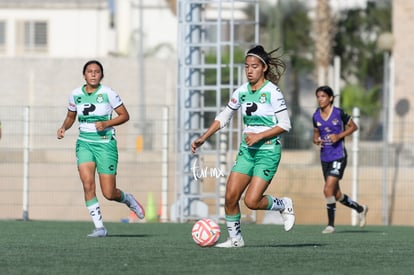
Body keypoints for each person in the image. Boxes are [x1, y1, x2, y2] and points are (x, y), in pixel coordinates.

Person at [191, 45, 295, 248]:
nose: (249, 70)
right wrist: (204, 137)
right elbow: (224, 117)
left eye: (254, 66)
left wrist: (259, 136)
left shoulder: (272, 92)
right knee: (230, 196)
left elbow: (285, 124)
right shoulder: (241, 92)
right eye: (247, 66)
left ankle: (283, 204)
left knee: (252, 202)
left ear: (263, 68)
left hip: (268, 152)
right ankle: (235, 239)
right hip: (247, 152)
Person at [57, 60, 145, 237]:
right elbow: (70, 116)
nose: (93, 74)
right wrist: (64, 127)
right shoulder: (75, 94)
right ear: (84, 75)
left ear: (101, 75)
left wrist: (107, 123)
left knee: (109, 193)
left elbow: (125, 116)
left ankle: (128, 199)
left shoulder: (108, 93)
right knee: (87, 184)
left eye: (97, 72)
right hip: (84, 143)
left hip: (105, 144)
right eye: (90, 71)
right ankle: (99, 228)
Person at [312, 85, 368, 234]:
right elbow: (315, 133)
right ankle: (360, 209)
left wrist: (339, 136)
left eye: (323, 96)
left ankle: (330, 225)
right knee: (335, 194)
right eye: (318, 96)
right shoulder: (316, 115)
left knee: (327, 190)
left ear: (330, 98)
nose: (320, 99)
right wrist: (316, 140)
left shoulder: (338, 113)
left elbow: (354, 127)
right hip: (325, 157)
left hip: (338, 156)